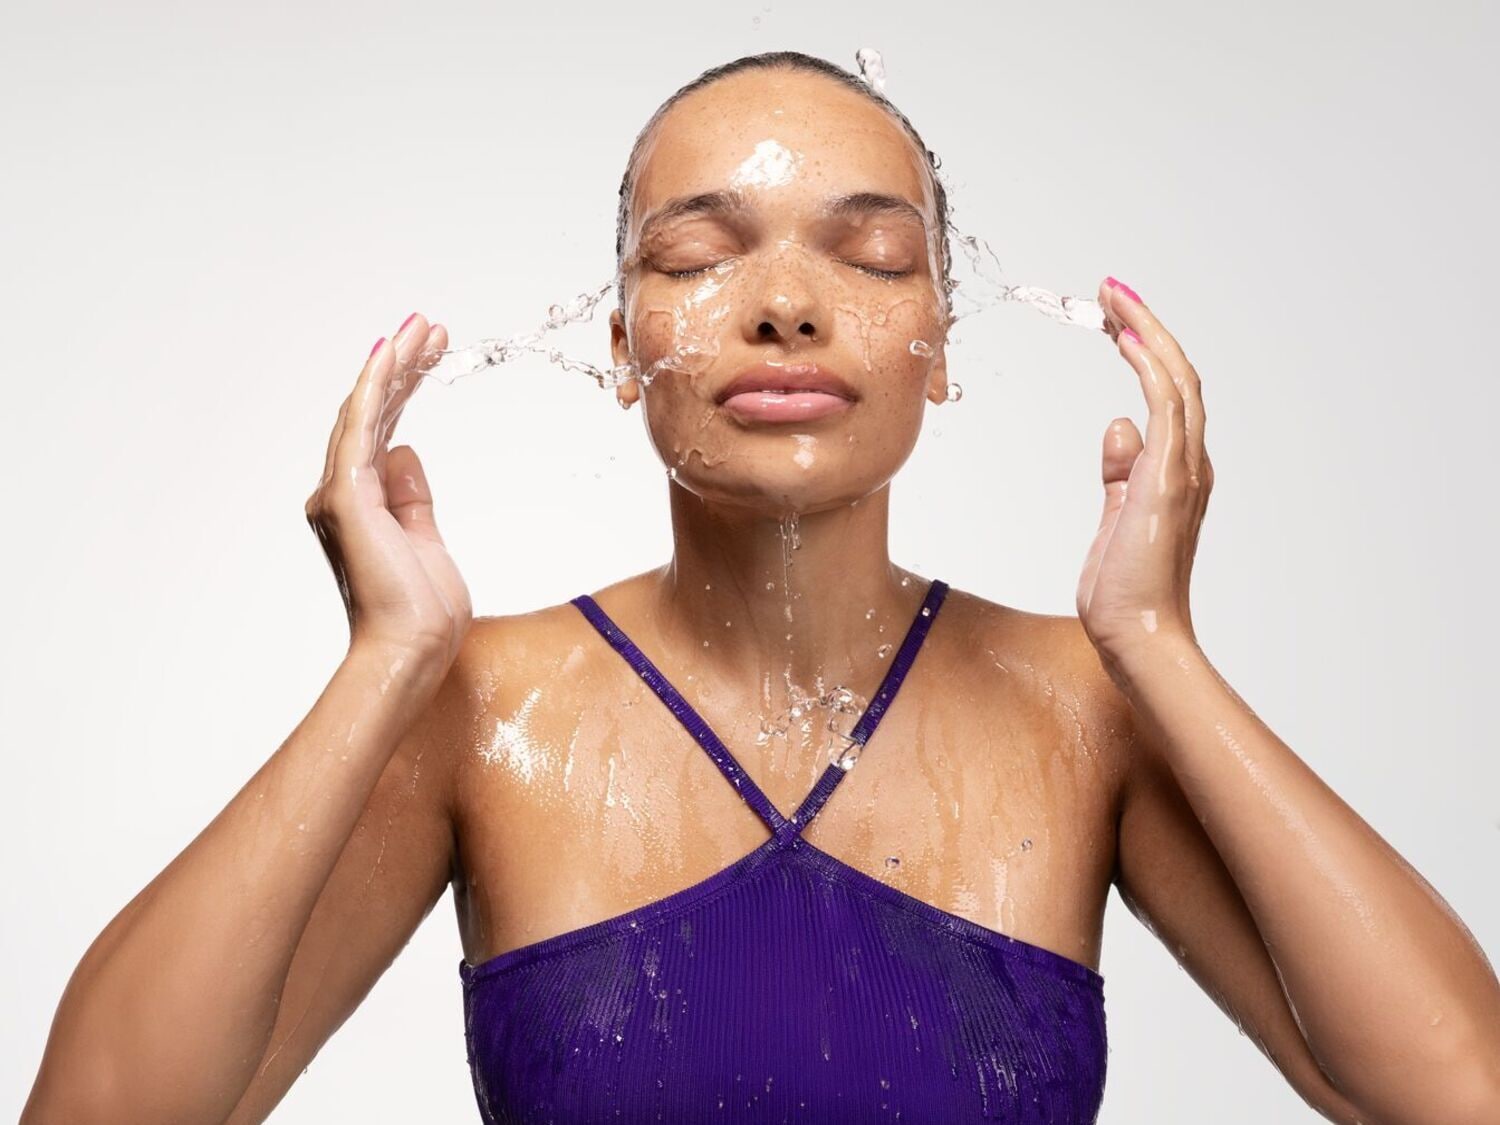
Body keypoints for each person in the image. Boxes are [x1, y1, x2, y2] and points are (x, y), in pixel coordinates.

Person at [22, 50, 1500, 1125]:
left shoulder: (1085, 709)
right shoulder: (474, 710)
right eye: (698, 254)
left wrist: (1160, 645)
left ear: (941, 339)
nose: (785, 303)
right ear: (618, 346)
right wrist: (380, 665)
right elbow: (99, 1110)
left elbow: (1452, 1092)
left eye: (868, 254)